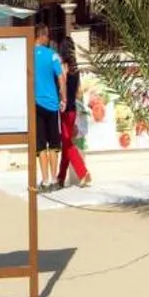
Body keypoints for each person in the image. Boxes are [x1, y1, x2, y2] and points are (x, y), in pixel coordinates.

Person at [32, 24, 64, 191]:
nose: (49, 39)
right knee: (53, 144)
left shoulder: (28, 55)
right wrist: (64, 98)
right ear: (42, 36)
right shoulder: (52, 55)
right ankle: (53, 180)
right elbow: (61, 78)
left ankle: (44, 180)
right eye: (47, 36)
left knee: (40, 144)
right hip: (52, 105)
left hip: (35, 105)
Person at [55, 36, 91, 189]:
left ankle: (83, 173)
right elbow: (77, 92)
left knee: (68, 143)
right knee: (66, 143)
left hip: (64, 109)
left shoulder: (62, 68)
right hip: (73, 109)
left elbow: (60, 87)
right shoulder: (76, 69)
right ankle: (61, 178)